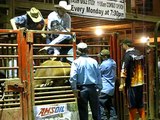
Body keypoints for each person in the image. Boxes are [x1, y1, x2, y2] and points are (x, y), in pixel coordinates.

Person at [69, 42, 102, 120]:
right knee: (96, 111)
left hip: (82, 89)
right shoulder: (94, 61)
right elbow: (98, 76)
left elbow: (73, 77)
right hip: (93, 88)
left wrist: (74, 89)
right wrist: (99, 88)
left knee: (83, 112)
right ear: (87, 50)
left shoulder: (76, 62)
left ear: (78, 51)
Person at [119, 39, 145, 120]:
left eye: (122, 45)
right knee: (140, 103)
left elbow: (124, 70)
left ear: (126, 45)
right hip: (140, 82)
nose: (122, 46)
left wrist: (122, 84)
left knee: (131, 104)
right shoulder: (139, 53)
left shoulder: (127, 55)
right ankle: (143, 118)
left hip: (131, 83)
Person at [98, 49, 118, 120]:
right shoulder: (113, 62)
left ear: (105, 56)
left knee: (100, 103)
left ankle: (104, 118)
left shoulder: (104, 64)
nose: (101, 58)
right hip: (111, 87)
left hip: (104, 87)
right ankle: (114, 117)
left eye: (102, 56)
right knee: (109, 104)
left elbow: (98, 74)